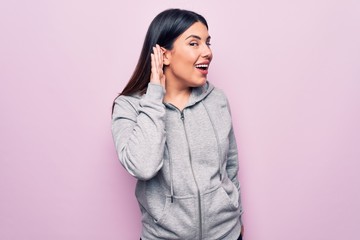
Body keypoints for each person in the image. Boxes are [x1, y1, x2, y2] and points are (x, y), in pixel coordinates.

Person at [111, 8, 244, 240]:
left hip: (227, 234)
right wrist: (154, 96)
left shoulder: (217, 99)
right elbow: (143, 167)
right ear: (165, 55)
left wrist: (237, 215)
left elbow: (230, 167)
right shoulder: (129, 107)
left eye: (207, 43)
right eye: (194, 43)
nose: (207, 52)